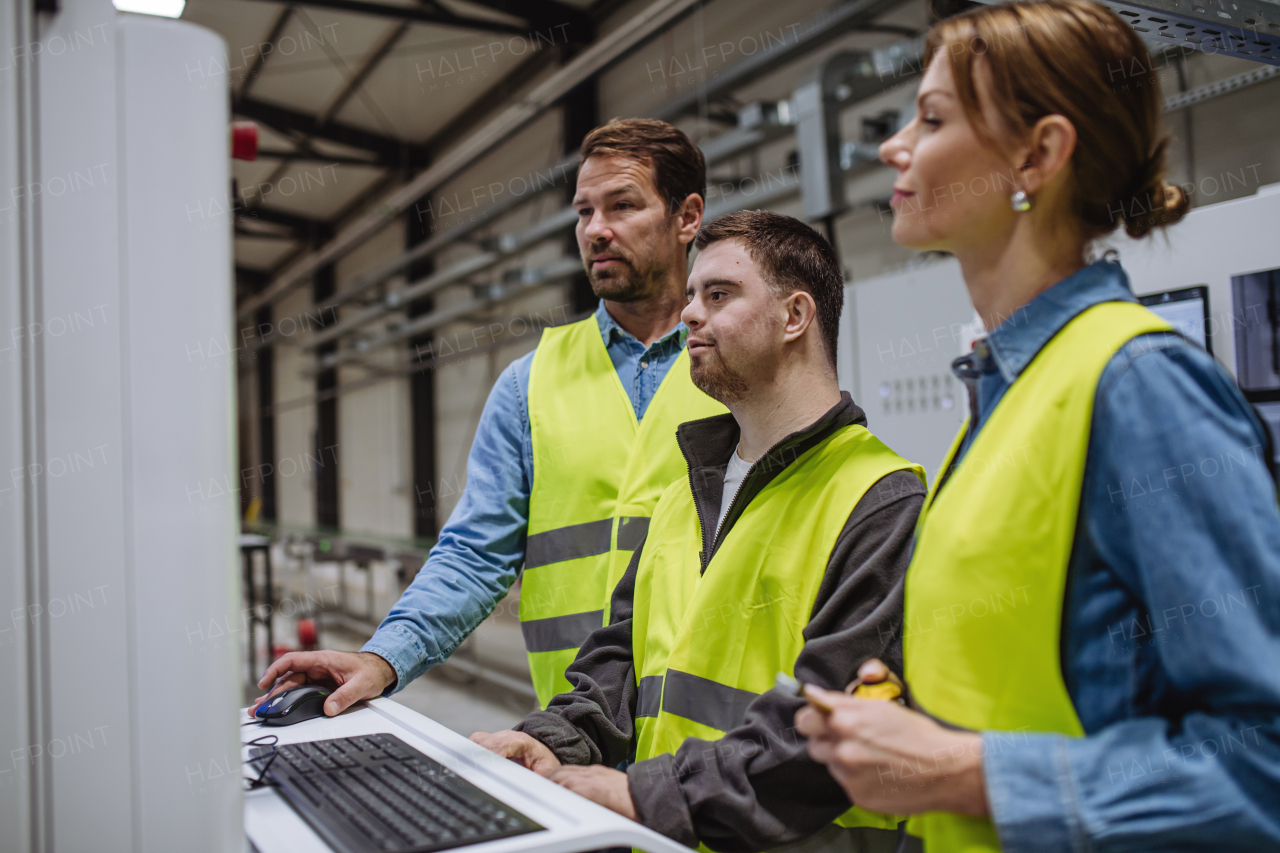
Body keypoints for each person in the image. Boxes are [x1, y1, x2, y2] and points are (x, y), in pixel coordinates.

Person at [794, 2, 1280, 851]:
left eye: (933, 118)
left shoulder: (1138, 383)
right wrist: (912, 710)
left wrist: (964, 769)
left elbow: (1263, 758)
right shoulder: (1006, 394)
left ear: (1040, 154)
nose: (892, 145)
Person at [472, 210, 929, 852]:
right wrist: (553, 738)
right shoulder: (685, 492)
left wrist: (640, 794)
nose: (689, 313)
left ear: (795, 317)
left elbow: (830, 729)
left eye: (718, 295)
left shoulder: (880, 501)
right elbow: (620, 661)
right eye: (691, 295)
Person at [251, 119, 726, 715]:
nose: (596, 231)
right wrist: (383, 657)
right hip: (573, 729)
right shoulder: (530, 384)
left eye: (622, 206)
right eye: (583, 212)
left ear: (687, 218)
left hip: (714, 739)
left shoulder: (741, 364)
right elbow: (475, 554)